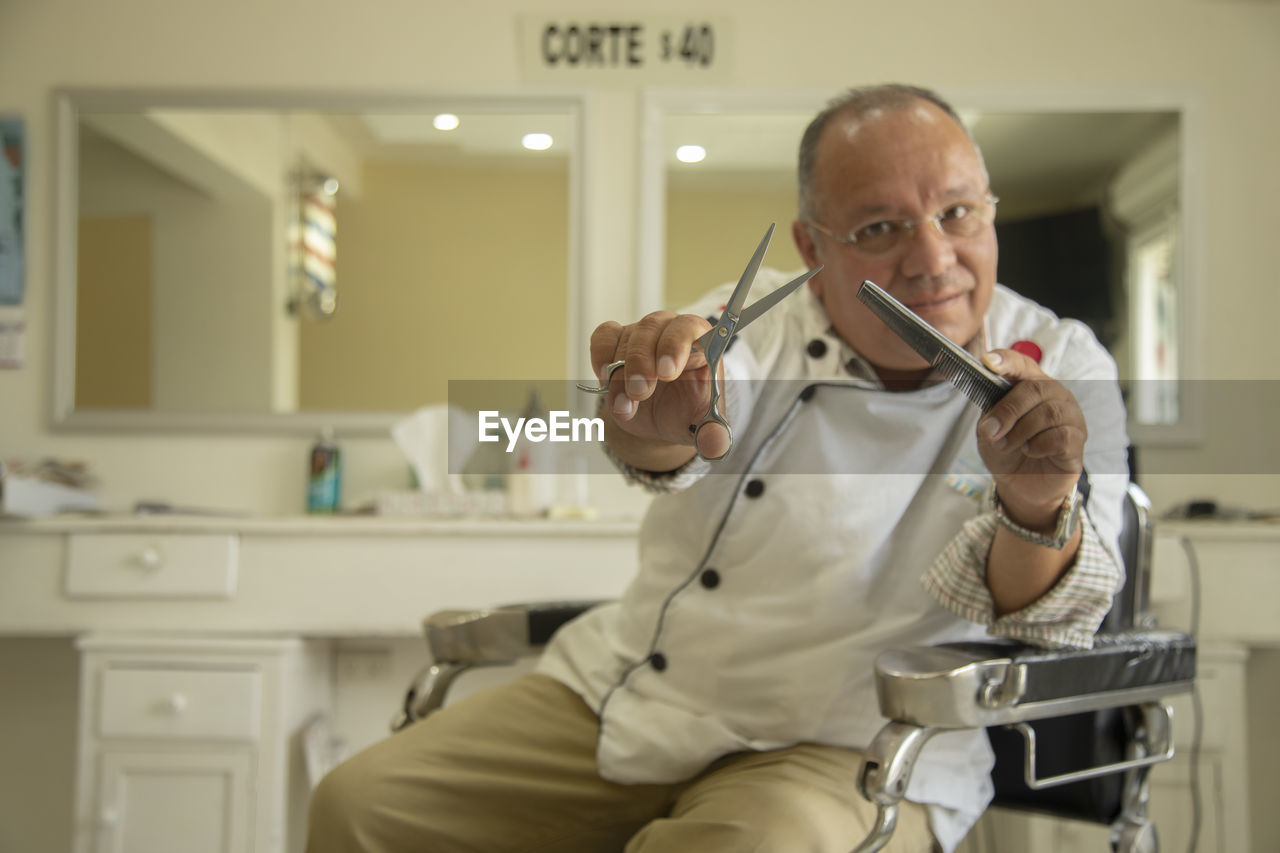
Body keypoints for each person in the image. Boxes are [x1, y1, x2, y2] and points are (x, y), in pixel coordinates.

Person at [306, 83, 1130, 853]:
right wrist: (649, 416)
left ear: (991, 211)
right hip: (633, 689)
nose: (931, 256)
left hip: (850, 735)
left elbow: (1046, 618)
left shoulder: (1061, 361)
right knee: (357, 805)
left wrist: (1037, 500)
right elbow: (674, 419)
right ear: (811, 243)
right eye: (878, 228)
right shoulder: (758, 328)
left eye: (958, 212)